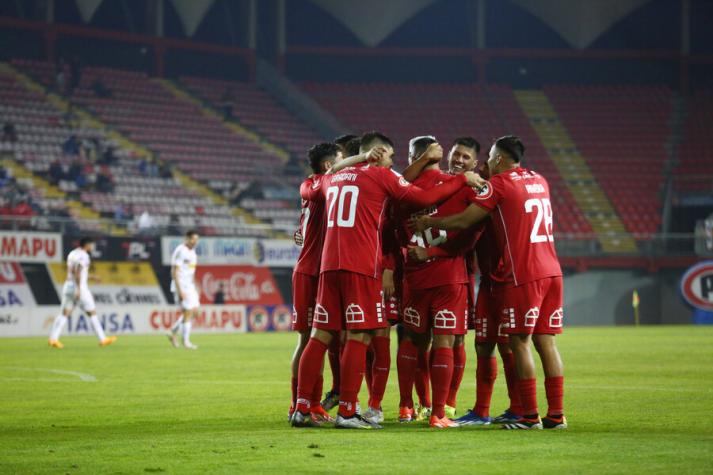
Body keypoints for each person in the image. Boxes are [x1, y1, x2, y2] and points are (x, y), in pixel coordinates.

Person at [291, 131, 484, 429]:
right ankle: (348, 412)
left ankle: (301, 408)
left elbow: (322, 178)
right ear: (380, 154)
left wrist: (360, 159)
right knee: (359, 337)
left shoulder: (331, 179)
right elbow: (424, 197)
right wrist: (463, 179)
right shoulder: (381, 177)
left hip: (328, 267)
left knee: (320, 336)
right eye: (393, 157)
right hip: (361, 267)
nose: (394, 163)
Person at [412, 135, 566, 430]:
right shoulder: (539, 180)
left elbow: (465, 221)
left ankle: (529, 416)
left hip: (521, 274)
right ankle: (555, 415)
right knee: (545, 342)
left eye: (487, 158)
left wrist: (429, 223)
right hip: (551, 270)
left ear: (497, 159)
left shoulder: (498, 185)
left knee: (517, 343)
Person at [289, 142, 342, 425]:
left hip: (314, 269)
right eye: (341, 159)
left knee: (317, 340)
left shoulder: (314, 186)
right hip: (311, 272)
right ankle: (300, 405)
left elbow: (305, 228)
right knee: (310, 339)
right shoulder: (320, 184)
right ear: (328, 165)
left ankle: (309, 404)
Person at [48, 237, 117, 349]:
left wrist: (91, 277)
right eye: (92, 245)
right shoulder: (84, 255)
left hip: (68, 285)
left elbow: (76, 271)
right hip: (79, 287)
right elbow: (78, 271)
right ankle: (103, 339)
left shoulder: (72, 253)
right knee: (92, 313)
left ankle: (53, 339)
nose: (93, 247)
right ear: (87, 245)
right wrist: (79, 288)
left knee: (64, 313)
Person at [167, 230, 200, 350]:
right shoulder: (181, 251)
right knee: (187, 312)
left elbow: (191, 272)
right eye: (193, 239)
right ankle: (186, 342)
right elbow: (174, 271)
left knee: (195, 312)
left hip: (190, 285)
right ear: (187, 238)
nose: (195, 242)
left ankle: (172, 332)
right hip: (181, 285)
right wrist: (179, 290)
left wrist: (194, 285)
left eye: (197, 239)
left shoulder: (193, 253)